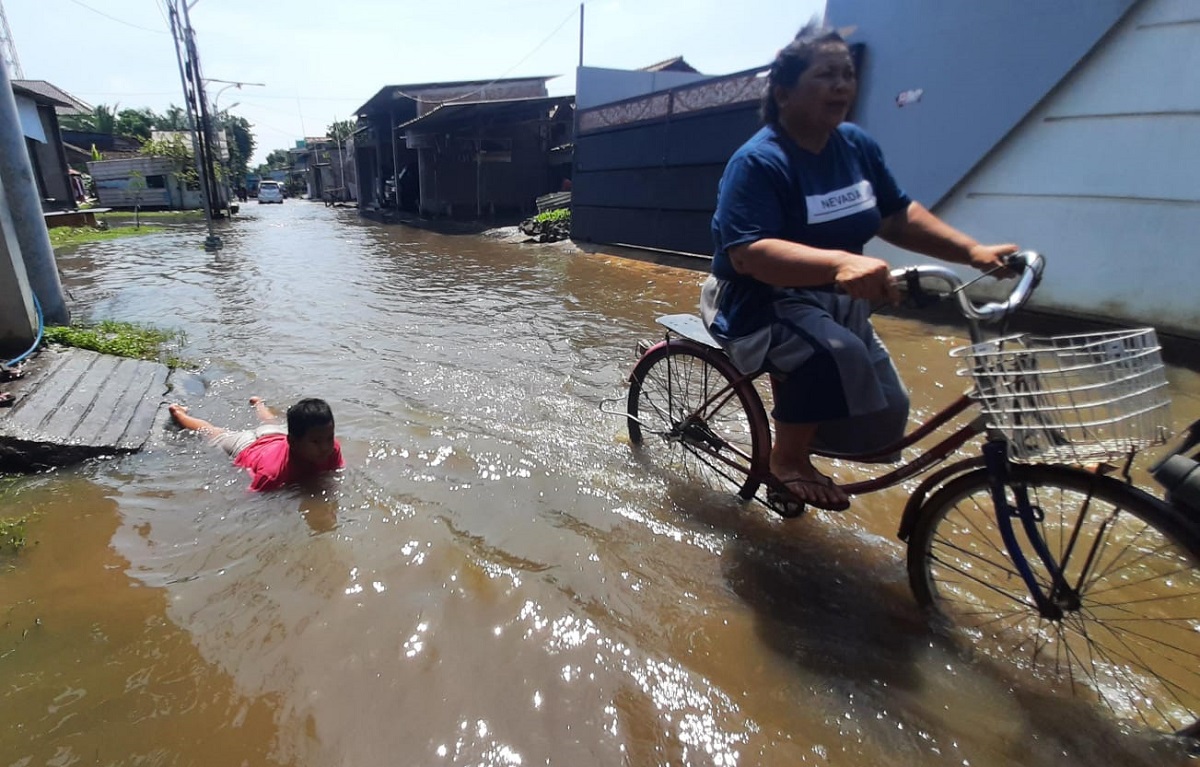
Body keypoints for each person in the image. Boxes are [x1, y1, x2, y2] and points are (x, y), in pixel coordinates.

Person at [702, 22, 1017, 512]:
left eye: (847, 74)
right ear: (783, 93)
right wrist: (843, 263)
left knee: (885, 416)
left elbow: (896, 215)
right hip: (758, 298)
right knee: (835, 355)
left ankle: (797, 426)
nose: (843, 85)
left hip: (837, 296)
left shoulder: (855, 146)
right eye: (826, 75)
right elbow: (750, 253)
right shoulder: (759, 162)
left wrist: (971, 252)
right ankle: (785, 462)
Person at [168, 396, 344, 492]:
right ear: (293, 442)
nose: (325, 446)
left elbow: (334, 473)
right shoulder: (272, 474)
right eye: (316, 442)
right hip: (248, 446)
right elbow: (251, 495)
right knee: (213, 433)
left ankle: (258, 403)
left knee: (271, 423)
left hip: (276, 436)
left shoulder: (332, 448)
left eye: (329, 438)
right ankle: (179, 414)